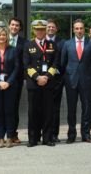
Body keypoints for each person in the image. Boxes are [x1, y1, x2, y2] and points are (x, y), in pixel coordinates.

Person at [23, 19, 60, 147]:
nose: (40, 32)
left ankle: (47, 138)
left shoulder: (52, 45)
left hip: (48, 83)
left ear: (45, 30)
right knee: (33, 112)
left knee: (48, 112)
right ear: (34, 31)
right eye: (37, 29)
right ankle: (33, 139)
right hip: (34, 84)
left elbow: (55, 63)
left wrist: (47, 77)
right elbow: (26, 65)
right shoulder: (29, 45)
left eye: (42, 29)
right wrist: (38, 77)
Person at [61, 19, 91, 143]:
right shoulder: (67, 44)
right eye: (77, 28)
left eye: (81, 28)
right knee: (71, 109)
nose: (79, 30)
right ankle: (71, 134)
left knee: (87, 108)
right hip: (71, 81)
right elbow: (63, 63)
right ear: (73, 30)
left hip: (86, 81)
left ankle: (86, 134)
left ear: (84, 29)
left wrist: (89, 76)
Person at [8, 17, 26, 144]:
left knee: (14, 107)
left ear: (20, 28)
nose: (14, 27)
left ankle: (13, 134)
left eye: (17, 25)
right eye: (12, 25)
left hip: (17, 80)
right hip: (1, 80)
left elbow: (24, 62)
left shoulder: (24, 43)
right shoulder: (1, 38)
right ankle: (1, 135)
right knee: (2, 108)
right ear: (9, 26)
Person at [46, 18, 65, 143]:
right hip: (42, 80)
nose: (51, 28)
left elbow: (63, 60)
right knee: (43, 108)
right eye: (49, 26)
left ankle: (54, 134)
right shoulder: (41, 41)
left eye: (53, 27)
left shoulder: (62, 43)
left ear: (56, 29)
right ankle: (44, 133)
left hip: (57, 79)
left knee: (55, 108)